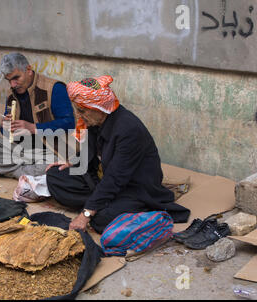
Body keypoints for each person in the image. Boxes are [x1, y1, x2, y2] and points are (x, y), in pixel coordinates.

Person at [46, 76, 190, 233]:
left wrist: (86, 214)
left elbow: (115, 178)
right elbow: (90, 153)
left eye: (82, 110)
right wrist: (73, 162)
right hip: (104, 180)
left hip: (133, 188)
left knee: (100, 220)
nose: (79, 116)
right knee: (55, 175)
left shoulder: (128, 130)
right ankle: (101, 202)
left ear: (98, 108)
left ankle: (108, 205)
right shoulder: (96, 121)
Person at [0, 52, 75, 179]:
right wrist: (5, 127)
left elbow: (69, 123)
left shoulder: (54, 88)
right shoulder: (12, 94)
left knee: (48, 165)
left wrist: (34, 128)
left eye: (16, 78)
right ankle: (24, 172)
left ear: (28, 70)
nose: (13, 84)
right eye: (9, 80)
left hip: (50, 150)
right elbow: (7, 134)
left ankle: (7, 170)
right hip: (23, 150)